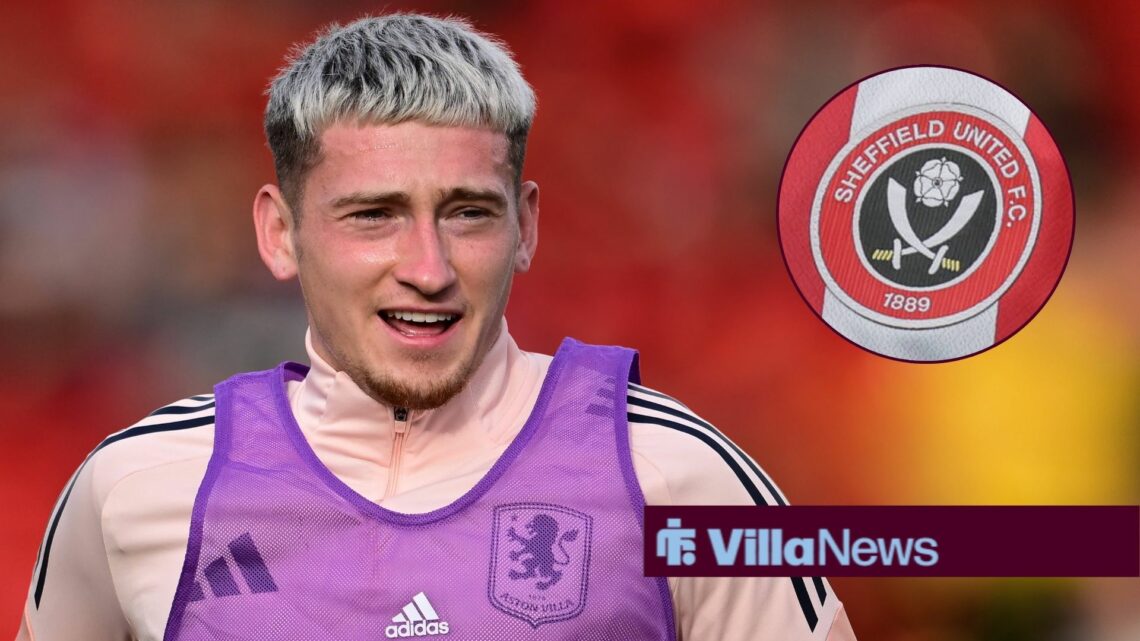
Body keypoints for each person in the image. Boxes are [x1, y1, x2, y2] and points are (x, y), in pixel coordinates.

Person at [17, 13, 856, 641]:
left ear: (525, 227)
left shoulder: (679, 475)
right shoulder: (134, 489)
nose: (428, 265)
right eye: (373, 215)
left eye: (467, 213)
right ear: (280, 233)